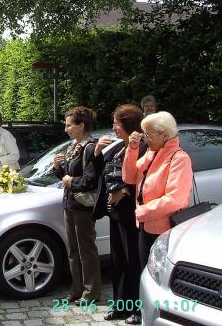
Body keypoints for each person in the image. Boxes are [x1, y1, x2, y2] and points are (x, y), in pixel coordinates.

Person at [123, 112, 192, 302]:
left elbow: (175, 199)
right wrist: (133, 148)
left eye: (149, 134)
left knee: (159, 280)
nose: (146, 138)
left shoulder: (179, 158)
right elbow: (129, 177)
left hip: (164, 229)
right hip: (146, 226)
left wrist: (142, 211)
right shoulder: (152, 153)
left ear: (164, 134)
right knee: (146, 274)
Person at [93, 105, 146, 324]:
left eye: (116, 123)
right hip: (115, 212)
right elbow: (101, 173)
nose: (114, 127)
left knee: (134, 260)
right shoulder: (118, 148)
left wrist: (124, 191)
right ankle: (120, 305)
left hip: (131, 212)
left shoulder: (141, 148)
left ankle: (138, 309)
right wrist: (96, 153)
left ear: (127, 125)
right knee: (119, 261)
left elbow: (144, 179)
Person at [53, 106, 101, 304]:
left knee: (86, 250)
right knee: (72, 250)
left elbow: (91, 179)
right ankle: (76, 288)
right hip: (70, 203)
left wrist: (70, 181)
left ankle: (91, 292)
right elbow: (65, 175)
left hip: (82, 205)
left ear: (81, 126)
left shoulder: (90, 147)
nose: (66, 129)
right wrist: (58, 168)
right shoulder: (73, 146)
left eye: (69, 125)